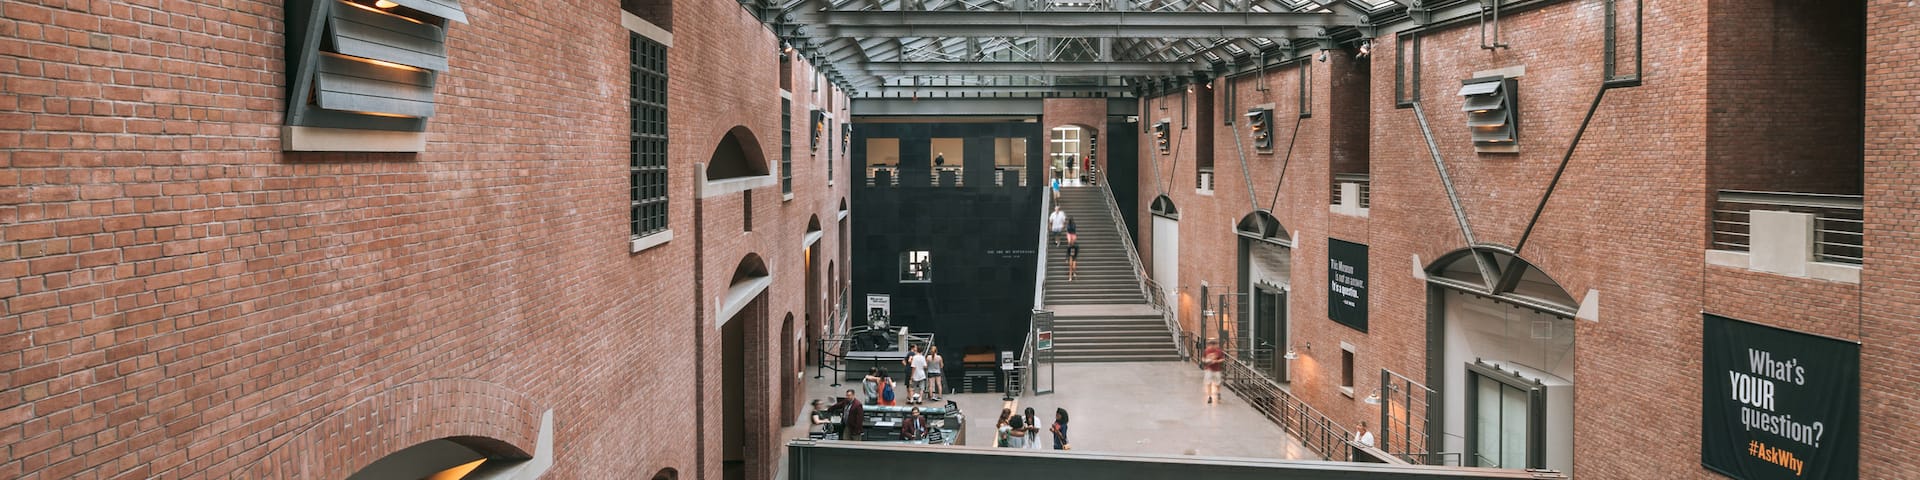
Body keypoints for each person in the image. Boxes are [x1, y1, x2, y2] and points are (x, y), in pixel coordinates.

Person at [1202, 339, 1226, 404]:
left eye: (1213, 344)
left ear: (1216, 345)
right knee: (1208, 383)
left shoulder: (1219, 351)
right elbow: (1203, 358)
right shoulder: (1206, 350)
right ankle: (1210, 397)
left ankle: (1218, 393)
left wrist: (1217, 361)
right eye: (1210, 344)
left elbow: (1223, 359)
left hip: (1217, 369)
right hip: (1208, 369)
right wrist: (1206, 360)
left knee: (1217, 383)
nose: (1212, 346)